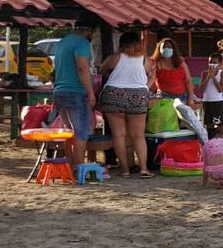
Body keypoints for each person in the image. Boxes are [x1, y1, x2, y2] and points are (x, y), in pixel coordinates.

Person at [98, 31, 154, 178]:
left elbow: (102, 70)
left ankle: (125, 170)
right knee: (138, 135)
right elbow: (147, 75)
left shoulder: (114, 58)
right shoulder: (144, 60)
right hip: (138, 95)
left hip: (114, 94)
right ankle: (143, 169)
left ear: (121, 44)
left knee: (119, 135)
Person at [51, 24, 95, 169]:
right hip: (76, 91)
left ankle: (69, 164)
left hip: (59, 90)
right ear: (88, 30)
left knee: (68, 130)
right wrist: (90, 92)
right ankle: (79, 166)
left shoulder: (62, 42)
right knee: (81, 131)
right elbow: (82, 67)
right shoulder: (82, 43)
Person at [148, 37, 194, 104]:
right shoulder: (157, 65)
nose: (166, 49)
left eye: (169, 47)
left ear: (173, 49)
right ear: (159, 49)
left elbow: (188, 81)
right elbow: (151, 79)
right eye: (164, 47)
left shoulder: (181, 63)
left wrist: (190, 99)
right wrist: (144, 90)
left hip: (182, 97)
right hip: (164, 97)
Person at [197, 52, 223, 138]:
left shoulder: (221, 74)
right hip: (207, 102)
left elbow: (220, 89)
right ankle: (210, 141)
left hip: (217, 103)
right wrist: (208, 77)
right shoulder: (205, 73)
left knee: (218, 124)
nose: (212, 64)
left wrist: (213, 77)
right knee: (208, 124)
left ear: (220, 64)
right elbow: (202, 88)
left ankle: (220, 142)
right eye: (210, 62)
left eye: (214, 62)